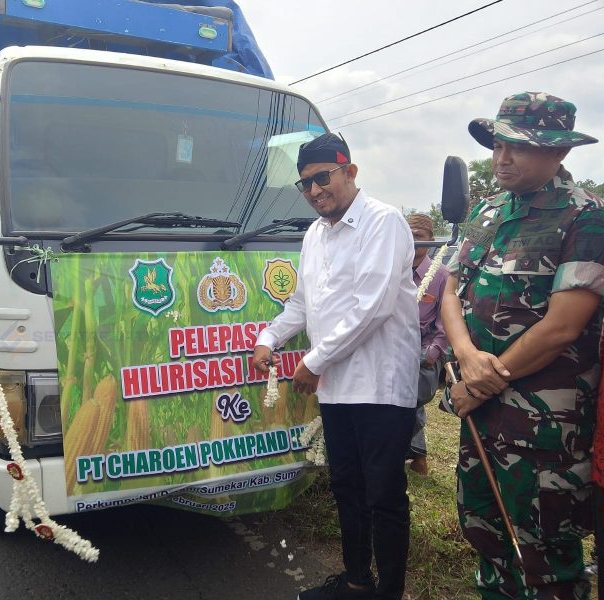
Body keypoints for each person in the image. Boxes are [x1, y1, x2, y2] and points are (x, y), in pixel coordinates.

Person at [441, 92, 603, 598]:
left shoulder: (585, 218)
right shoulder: (487, 211)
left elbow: (562, 327)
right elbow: (448, 289)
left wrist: (483, 383)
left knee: (547, 552)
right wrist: (467, 358)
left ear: (559, 153)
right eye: (497, 145)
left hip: (543, 428)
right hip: (481, 412)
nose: (501, 159)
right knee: (483, 532)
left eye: (518, 147)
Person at [252, 132, 420, 600]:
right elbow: (302, 304)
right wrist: (269, 337)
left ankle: (389, 592)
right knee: (346, 485)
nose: (314, 191)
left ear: (350, 171)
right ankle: (355, 581)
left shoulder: (382, 222)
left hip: (381, 387)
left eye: (322, 178)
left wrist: (311, 361)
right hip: (337, 387)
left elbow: (373, 307)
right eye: (305, 185)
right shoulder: (315, 234)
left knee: (383, 495)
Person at [406, 213, 448, 476]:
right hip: (392, 347)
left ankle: (418, 456)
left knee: (411, 401)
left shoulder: (441, 275)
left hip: (426, 350)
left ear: (431, 241)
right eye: (407, 236)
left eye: (419, 237)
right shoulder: (392, 269)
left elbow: (445, 324)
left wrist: (431, 354)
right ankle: (415, 455)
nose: (412, 242)